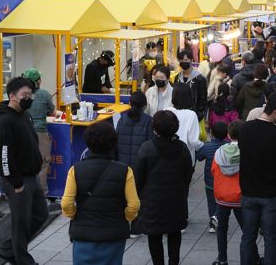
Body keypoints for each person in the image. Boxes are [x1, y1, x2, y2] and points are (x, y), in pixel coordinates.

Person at [61, 122, 140, 265]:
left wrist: (74, 215)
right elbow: (134, 205)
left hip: (83, 234)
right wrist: (125, 217)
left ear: (88, 143)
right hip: (114, 233)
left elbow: (66, 204)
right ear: (113, 143)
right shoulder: (125, 171)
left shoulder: (75, 170)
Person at [0, 77, 49, 265]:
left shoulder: (24, 115)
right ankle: (22, 259)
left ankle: (8, 249)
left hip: (32, 176)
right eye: (24, 95)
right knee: (21, 223)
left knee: (41, 215)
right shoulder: (6, 121)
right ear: (12, 96)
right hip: (18, 181)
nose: (29, 98)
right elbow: (4, 156)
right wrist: (15, 182)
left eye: (30, 94)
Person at [239, 92, 276, 265]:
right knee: (271, 238)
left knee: (248, 235)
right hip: (272, 193)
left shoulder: (244, 129)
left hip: (248, 191)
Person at [134, 110, 193, 265]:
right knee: (175, 233)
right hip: (176, 200)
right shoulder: (183, 149)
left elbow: (138, 179)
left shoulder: (146, 148)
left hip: (152, 202)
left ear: (155, 128)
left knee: (154, 236)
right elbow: (188, 176)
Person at [211, 120, 244, 265]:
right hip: (241, 196)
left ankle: (222, 259)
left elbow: (213, 170)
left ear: (228, 135)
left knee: (222, 230)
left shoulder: (219, 152)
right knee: (247, 230)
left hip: (222, 196)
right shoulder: (247, 151)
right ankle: (250, 257)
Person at [23, 68, 55, 196]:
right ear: (38, 81)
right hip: (40, 133)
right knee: (42, 164)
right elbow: (52, 112)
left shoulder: (21, 95)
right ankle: (41, 195)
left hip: (24, 132)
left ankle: (26, 193)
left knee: (26, 164)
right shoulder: (44, 94)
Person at [196, 122, 229, 234]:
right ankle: (218, 217)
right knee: (222, 201)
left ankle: (213, 222)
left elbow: (199, 157)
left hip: (210, 181)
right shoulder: (228, 146)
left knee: (211, 202)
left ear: (212, 133)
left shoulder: (207, 147)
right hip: (224, 181)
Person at [166, 83, 203, 166]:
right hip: (185, 157)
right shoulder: (191, 114)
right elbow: (193, 140)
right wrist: (202, 147)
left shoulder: (166, 111)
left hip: (166, 155)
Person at [115, 91, 153, 167]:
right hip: (140, 166)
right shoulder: (148, 120)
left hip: (122, 165)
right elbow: (150, 146)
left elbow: (115, 142)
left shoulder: (122, 119)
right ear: (144, 105)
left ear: (130, 103)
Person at [174, 50, 207, 121]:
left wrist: (199, 114)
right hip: (179, 113)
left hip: (194, 114)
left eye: (186, 60)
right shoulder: (177, 77)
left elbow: (203, 99)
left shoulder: (199, 78)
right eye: (181, 60)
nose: (183, 62)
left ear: (191, 60)